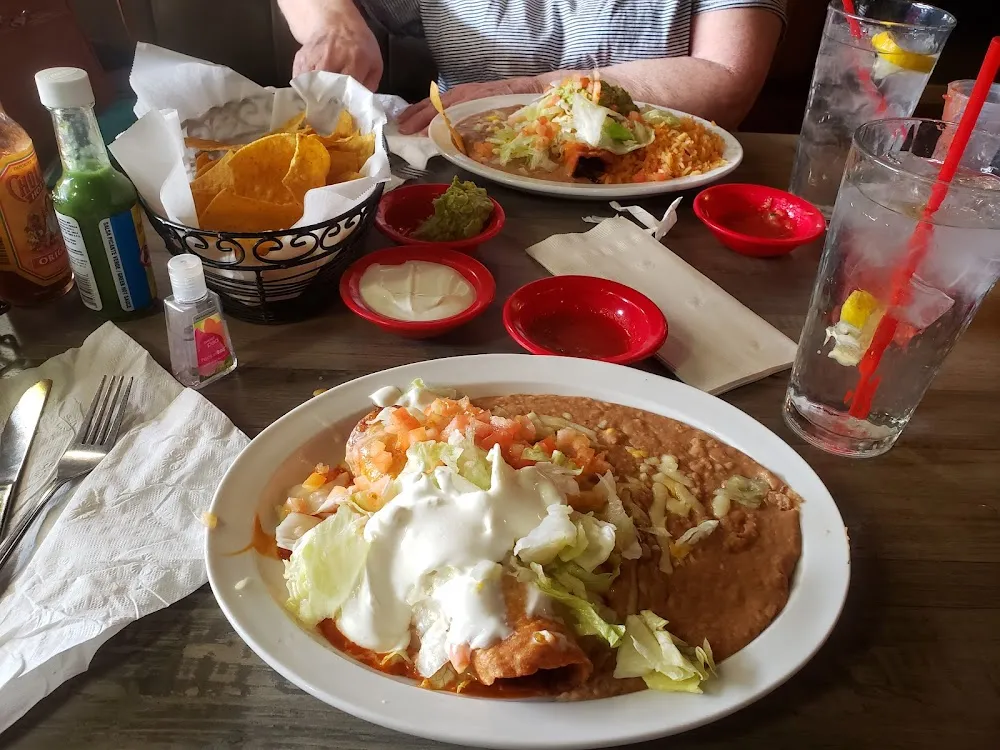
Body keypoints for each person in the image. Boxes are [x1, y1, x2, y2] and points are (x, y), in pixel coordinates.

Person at [277, 0, 785, 132]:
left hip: (661, 196)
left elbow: (725, 79)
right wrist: (336, 23)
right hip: (465, 186)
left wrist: (532, 88)